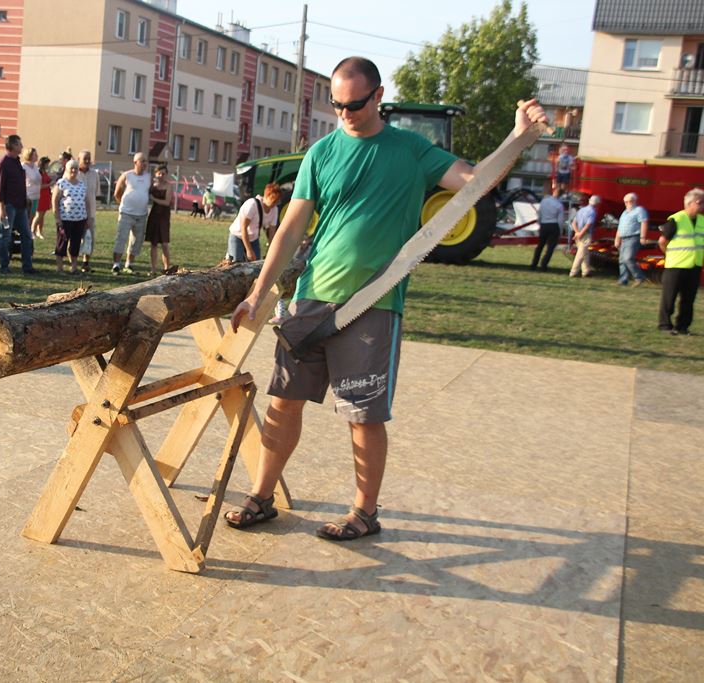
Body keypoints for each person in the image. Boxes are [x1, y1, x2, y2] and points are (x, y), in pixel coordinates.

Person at [222, 56, 545, 540]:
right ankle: (262, 496)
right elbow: (291, 228)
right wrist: (258, 290)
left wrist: (520, 139)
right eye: (336, 105)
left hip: (373, 305)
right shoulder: (321, 153)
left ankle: (364, 513)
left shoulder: (412, 151)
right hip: (312, 297)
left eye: (354, 104)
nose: (345, 114)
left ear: (377, 97)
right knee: (283, 403)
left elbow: (476, 182)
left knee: (362, 416)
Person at [657, 188, 703, 335]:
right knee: (669, 298)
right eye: (700, 202)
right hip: (675, 266)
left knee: (688, 300)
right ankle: (665, 325)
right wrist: (668, 255)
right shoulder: (676, 219)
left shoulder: (702, 221)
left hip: (694, 266)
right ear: (689, 203)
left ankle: (682, 326)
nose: (702, 205)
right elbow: (662, 241)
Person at [0, 134, 35, 275]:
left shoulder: (17, 162)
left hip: (20, 206)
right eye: (19, 144)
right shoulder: (3, 163)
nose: (22, 147)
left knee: (26, 235)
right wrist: (1, 209)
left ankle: (27, 266)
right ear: (12, 146)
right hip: (8, 206)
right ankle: (4, 265)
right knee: (5, 236)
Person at [111, 152, 151, 275]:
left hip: (142, 214)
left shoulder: (149, 176)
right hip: (126, 213)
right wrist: (125, 204)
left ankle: (129, 264)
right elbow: (117, 193)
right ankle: (116, 265)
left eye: (146, 161)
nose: (145, 164)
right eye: (142, 161)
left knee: (136, 241)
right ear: (135, 162)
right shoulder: (127, 175)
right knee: (121, 238)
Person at [226, 182, 281, 263]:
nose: (274, 204)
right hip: (238, 236)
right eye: (273, 200)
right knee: (236, 263)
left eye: (276, 202)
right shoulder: (252, 204)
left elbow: (272, 233)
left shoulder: (274, 209)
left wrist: (270, 251)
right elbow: (243, 227)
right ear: (266, 196)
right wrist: (248, 250)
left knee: (256, 264)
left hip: (253, 238)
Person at [51, 159, 87, 274]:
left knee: (76, 243)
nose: (74, 170)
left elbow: (85, 201)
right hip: (65, 219)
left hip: (79, 219)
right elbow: (55, 201)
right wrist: (57, 218)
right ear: (66, 169)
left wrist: (88, 217)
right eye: (71, 168)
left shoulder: (82, 184)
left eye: (76, 168)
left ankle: (74, 267)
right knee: (62, 243)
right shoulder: (61, 183)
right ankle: (59, 267)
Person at [614, 192, 649, 286]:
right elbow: (620, 227)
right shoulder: (624, 213)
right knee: (622, 260)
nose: (628, 203)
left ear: (635, 201)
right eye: (626, 202)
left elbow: (644, 223)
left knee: (628, 258)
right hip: (623, 238)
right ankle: (623, 280)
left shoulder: (639, 210)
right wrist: (617, 239)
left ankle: (639, 277)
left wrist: (643, 237)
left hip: (633, 237)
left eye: (630, 201)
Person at [145, 164, 173, 276]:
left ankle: (167, 268)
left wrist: (154, 198)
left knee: (165, 244)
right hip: (154, 215)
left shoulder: (169, 186)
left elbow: (167, 202)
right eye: (159, 173)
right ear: (156, 173)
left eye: (164, 173)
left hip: (164, 216)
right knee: (154, 243)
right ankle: (153, 268)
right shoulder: (153, 185)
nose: (161, 175)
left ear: (166, 174)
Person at [531, 186, 565, 271]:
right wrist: (560, 231)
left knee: (540, 246)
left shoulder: (544, 201)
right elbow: (560, 220)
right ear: (561, 195)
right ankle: (543, 265)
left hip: (544, 224)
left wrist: (539, 224)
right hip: (554, 225)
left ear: (553, 191)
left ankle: (534, 264)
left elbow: (539, 213)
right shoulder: (559, 205)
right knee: (550, 247)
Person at [75, 150, 97, 273]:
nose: (88, 161)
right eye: (85, 159)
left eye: (89, 158)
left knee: (89, 238)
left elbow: (95, 193)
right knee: (74, 239)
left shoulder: (94, 174)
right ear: (79, 159)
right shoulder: (73, 173)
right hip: (75, 213)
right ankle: (73, 262)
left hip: (90, 213)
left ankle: (85, 263)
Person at [569, 194, 600, 278]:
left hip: (578, 232)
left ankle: (586, 271)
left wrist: (577, 232)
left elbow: (574, 223)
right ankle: (573, 272)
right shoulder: (592, 212)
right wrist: (581, 234)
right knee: (581, 253)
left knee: (585, 252)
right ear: (597, 204)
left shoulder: (581, 210)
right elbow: (588, 225)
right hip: (585, 234)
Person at [31, 155, 53, 251]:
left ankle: (39, 231)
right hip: (40, 195)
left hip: (46, 195)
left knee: (42, 215)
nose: (48, 165)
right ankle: (32, 230)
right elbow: (39, 186)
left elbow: (47, 180)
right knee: (38, 215)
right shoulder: (38, 172)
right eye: (47, 163)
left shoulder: (45, 172)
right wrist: (49, 184)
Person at [22, 147, 43, 238]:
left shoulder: (35, 167)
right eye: (35, 154)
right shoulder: (23, 166)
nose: (37, 156)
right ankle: (24, 234)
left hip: (36, 196)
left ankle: (28, 233)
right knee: (26, 217)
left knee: (32, 216)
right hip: (28, 196)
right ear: (29, 155)